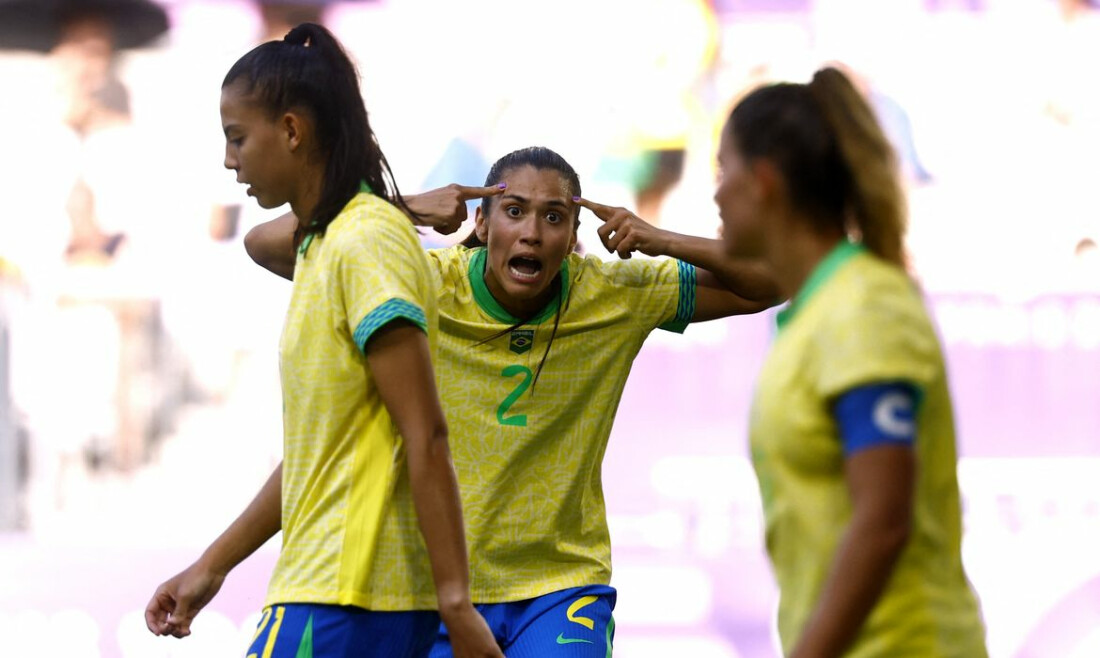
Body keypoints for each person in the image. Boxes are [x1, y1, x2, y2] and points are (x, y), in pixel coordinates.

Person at [244, 145, 779, 656]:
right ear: (481, 223)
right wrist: (401, 209)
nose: (530, 233)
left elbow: (771, 280)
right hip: (434, 590)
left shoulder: (617, 293)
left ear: (573, 237)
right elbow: (265, 243)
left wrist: (660, 238)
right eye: (514, 211)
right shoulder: (421, 281)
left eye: (552, 218)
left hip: (558, 589)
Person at [143, 23, 502, 658]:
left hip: (352, 595)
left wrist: (456, 603)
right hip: (331, 589)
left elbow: (426, 433)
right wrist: (212, 567)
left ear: (291, 130)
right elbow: (321, 454)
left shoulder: (367, 241)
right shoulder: (328, 243)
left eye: (237, 137)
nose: (230, 160)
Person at [715, 66, 988, 657]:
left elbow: (884, 520)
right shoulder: (815, 313)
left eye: (723, 169)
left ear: (763, 182)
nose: (714, 192)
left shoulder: (864, 306)